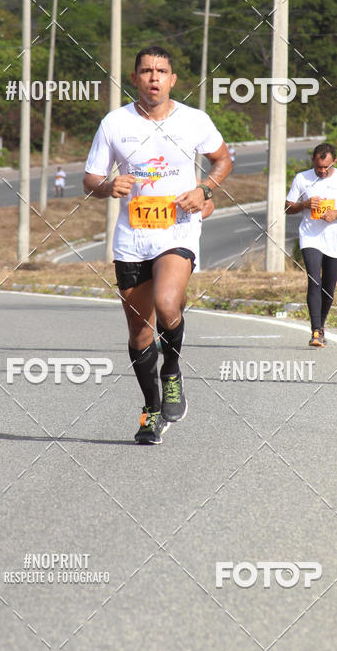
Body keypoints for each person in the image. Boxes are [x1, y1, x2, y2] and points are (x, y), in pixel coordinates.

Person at [83, 45, 232, 444]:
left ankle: (172, 372)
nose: (154, 77)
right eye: (146, 71)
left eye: (161, 71)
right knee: (139, 335)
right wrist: (108, 185)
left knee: (168, 303)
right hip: (132, 239)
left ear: (172, 79)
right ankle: (151, 411)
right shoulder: (115, 123)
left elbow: (223, 160)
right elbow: (91, 179)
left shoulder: (194, 121)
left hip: (178, 230)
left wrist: (204, 189)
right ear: (135, 78)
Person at [285, 143, 337, 347]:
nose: (323, 171)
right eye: (319, 167)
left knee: (328, 288)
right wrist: (305, 204)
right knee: (314, 280)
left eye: (326, 167)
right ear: (313, 162)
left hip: (334, 239)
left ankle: (322, 324)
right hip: (310, 237)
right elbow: (288, 207)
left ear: (334, 161)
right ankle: (316, 331)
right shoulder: (302, 178)